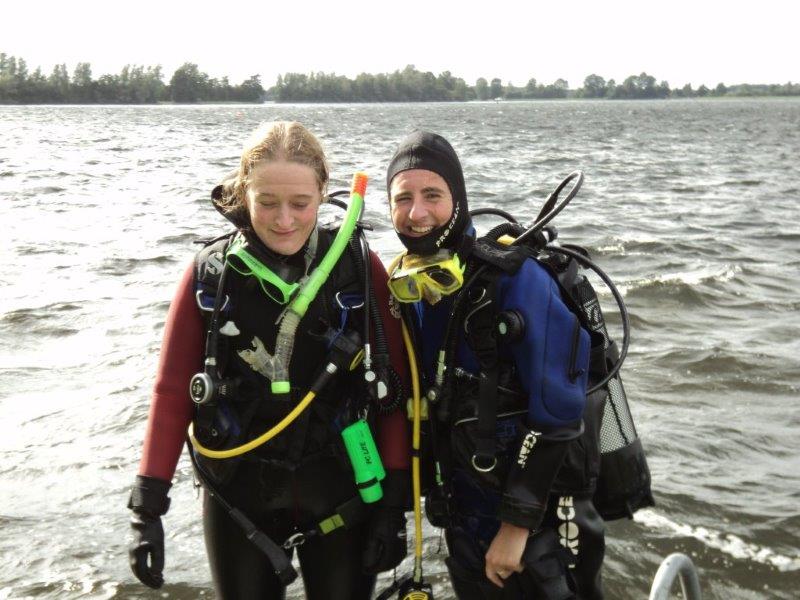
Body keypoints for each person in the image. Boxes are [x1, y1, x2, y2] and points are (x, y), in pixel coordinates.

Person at [127, 121, 411, 600]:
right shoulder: (210, 274)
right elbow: (172, 392)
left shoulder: (358, 268)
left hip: (341, 490)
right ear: (244, 194)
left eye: (300, 204)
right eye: (267, 203)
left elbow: (393, 391)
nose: (284, 220)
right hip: (237, 498)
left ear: (323, 193)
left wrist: (393, 504)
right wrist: (146, 507)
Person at [385, 131, 606, 599]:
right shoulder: (409, 286)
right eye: (402, 198)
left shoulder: (514, 279)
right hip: (465, 514)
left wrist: (517, 526)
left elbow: (560, 412)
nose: (417, 213)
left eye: (432, 195)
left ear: (458, 200)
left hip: (537, 520)